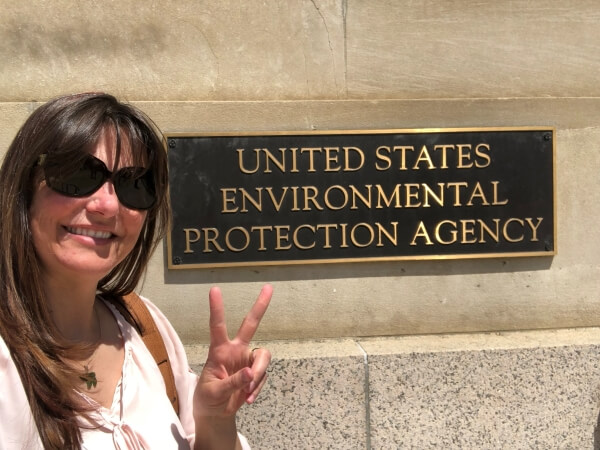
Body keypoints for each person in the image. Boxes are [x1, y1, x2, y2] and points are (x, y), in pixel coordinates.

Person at [0, 92, 272, 449]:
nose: (107, 205)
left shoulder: (144, 326)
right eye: (78, 175)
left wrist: (215, 421)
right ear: (23, 187)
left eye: (133, 184)